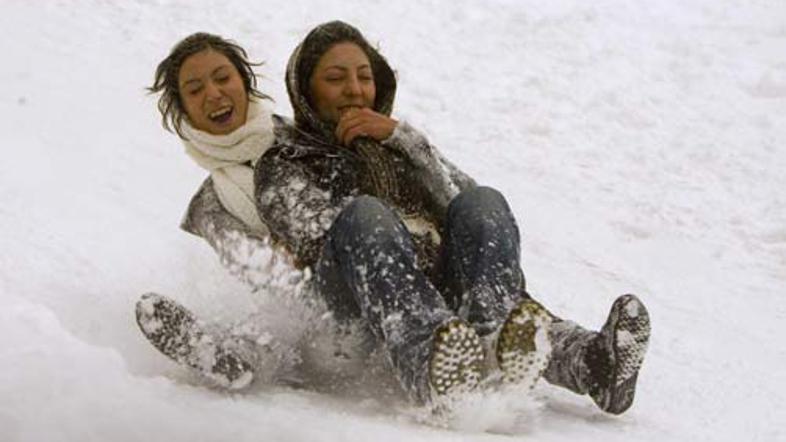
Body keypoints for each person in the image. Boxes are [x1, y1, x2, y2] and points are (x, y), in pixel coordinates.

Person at [253, 21, 651, 413]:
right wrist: (403, 238)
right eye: (336, 78)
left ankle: (584, 362)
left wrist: (403, 140)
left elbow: (467, 204)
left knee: (482, 202)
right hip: (355, 307)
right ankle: (430, 363)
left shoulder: (396, 145)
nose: (355, 89)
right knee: (367, 216)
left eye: (365, 77)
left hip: (439, 298)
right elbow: (314, 237)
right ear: (305, 91)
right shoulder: (286, 160)